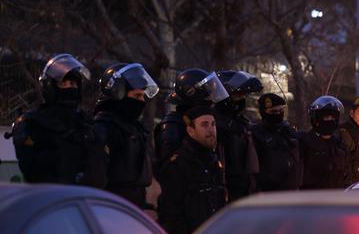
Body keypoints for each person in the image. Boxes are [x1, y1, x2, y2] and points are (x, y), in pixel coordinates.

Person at [10, 54, 106, 187]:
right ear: (50, 86)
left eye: (73, 84)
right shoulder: (34, 123)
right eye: (63, 83)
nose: (70, 88)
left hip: (85, 196)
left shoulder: (85, 123)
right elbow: (31, 169)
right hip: (51, 196)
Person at [157, 106, 227, 234]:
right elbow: (171, 213)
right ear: (191, 131)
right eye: (204, 125)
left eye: (213, 124)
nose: (211, 130)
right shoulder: (179, 164)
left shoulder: (214, 161)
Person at [93, 63, 158, 208]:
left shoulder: (135, 128)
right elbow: (97, 178)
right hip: (112, 209)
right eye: (137, 95)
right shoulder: (105, 127)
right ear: (118, 94)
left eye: (143, 96)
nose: (142, 101)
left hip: (132, 208)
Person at [153, 68, 229, 173]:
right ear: (191, 93)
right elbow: (169, 168)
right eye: (207, 95)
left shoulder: (205, 121)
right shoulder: (173, 125)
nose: (211, 100)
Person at [214, 70, 262, 201]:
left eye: (244, 95)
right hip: (226, 189)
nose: (242, 99)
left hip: (244, 188)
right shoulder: (214, 122)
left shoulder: (240, 121)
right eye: (238, 94)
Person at [251, 93, 302, 191]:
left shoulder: (288, 131)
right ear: (263, 112)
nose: (278, 114)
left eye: (281, 110)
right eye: (273, 111)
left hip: (290, 189)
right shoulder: (255, 134)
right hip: (266, 191)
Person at [299, 96, 348, 189]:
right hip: (311, 196)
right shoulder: (303, 144)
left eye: (333, 118)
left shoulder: (340, 146)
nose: (330, 120)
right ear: (316, 119)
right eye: (326, 117)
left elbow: (345, 177)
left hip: (336, 195)